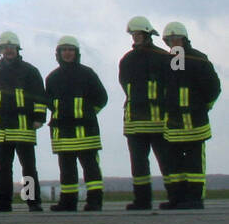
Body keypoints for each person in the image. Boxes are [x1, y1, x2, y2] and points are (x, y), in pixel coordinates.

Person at [0, 31, 46, 212]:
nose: (8, 50)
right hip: (0, 130)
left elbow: (40, 97)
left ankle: (33, 202)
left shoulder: (30, 72)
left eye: (11, 47)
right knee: (3, 169)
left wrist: (39, 118)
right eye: (5, 48)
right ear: (0, 50)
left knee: (29, 168)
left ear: (17, 49)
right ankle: (4, 203)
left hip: (24, 128)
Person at [158, 21, 220, 210]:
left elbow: (213, 88)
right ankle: (177, 198)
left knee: (194, 165)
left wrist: (202, 108)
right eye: (170, 40)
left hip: (195, 123)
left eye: (176, 39)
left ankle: (195, 198)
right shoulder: (167, 62)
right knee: (174, 165)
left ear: (184, 39)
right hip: (174, 125)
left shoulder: (199, 60)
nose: (173, 42)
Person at [44, 36, 108, 211]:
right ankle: (68, 202)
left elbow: (102, 98)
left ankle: (95, 201)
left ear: (76, 52)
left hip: (85, 130)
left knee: (91, 168)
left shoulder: (88, 74)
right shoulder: (52, 78)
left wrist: (87, 113)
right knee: (66, 169)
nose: (67, 53)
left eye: (70, 49)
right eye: (63, 50)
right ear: (58, 53)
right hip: (63, 131)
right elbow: (47, 101)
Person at [118, 15, 170, 211]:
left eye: (139, 34)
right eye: (133, 34)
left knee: (166, 162)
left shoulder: (164, 57)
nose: (136, 37)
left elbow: (172, 83)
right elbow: (125, 85)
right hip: (134, 122)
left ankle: (175, 197)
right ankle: (142, 200)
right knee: (139, 166)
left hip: (159, 121)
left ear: (148, 34)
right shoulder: (127, 59)